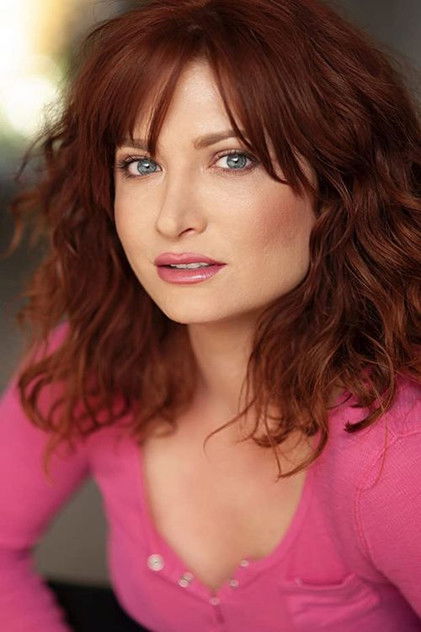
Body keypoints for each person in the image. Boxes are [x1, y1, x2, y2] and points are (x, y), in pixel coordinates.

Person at [1, 0, 420, 630]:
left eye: (233, 159)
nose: (172, 218)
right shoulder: (95, 360)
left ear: (337, 186)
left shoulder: (395, 455)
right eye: (141, 165)